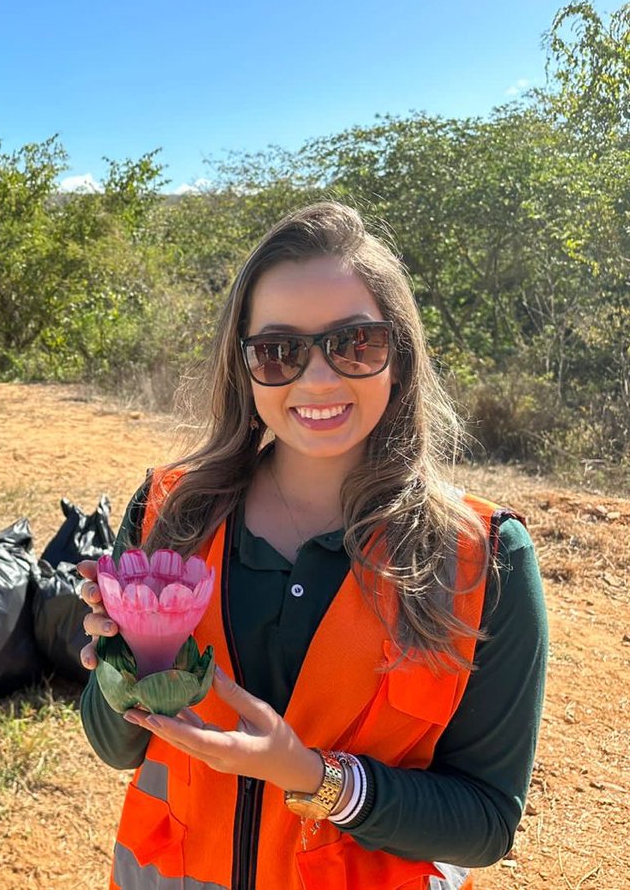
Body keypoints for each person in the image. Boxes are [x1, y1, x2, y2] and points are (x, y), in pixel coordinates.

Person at [77, 202, 547, 890]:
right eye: (279, 351)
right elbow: (115, 747)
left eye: (356, 343)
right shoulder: (169, 511)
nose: (319, 379)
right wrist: (127, 660)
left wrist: (314, 776)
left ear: (399, 356)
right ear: (242, 366)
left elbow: (486, 823)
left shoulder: (483, 559)